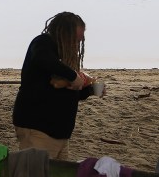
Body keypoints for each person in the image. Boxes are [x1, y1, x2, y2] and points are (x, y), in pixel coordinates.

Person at [12, 11, 99, 160]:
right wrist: (73, 76)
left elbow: (69, 92)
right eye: (75, 39)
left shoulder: (65, 56)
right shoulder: (43, 43)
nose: (77, 43)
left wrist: (91, 90)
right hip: (38, 128)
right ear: (64, 33)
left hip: (60, 134)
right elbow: (43, 59)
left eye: (80, 40)